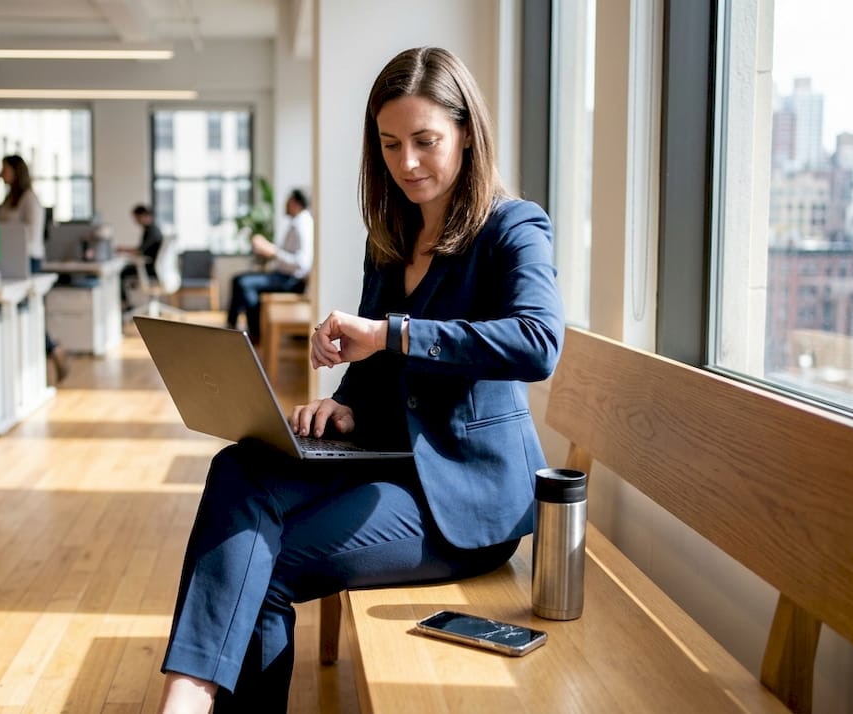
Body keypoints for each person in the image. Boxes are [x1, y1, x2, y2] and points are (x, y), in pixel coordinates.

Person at [156, 47, 564, 712]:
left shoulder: (513, 227)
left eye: (426, 141)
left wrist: (388, 332)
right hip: (387, 457)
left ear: (467, 133)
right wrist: (344, 404)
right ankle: (190, 692)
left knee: (270, 567)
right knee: (239, 466)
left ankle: (193, 697)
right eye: (390, 144)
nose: (406, 163)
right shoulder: (391, 237)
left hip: (468, 498)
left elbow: (538, 342)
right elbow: (378, 377)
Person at [0, 154, 69, 381]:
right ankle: (49, 352)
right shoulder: (9, 199)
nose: (1, 174)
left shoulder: (29, 199)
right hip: (7, 260)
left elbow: (32, 234)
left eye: (5, 169)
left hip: (28, 261)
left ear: (16, 171)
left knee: (30, 312)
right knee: (17, 312)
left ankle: (52, 349)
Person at [225, 189, 314, 343]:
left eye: (288, 201)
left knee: (244, 284)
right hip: (282, 275)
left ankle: (255, 333)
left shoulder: (303, 224)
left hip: (290, 281)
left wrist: (273, 251)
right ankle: (233, 326)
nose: (285, 204)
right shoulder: (297, 222)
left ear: (295, 203)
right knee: (238, 279)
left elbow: (302, 263)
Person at [119, 204, 164, 309]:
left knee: (122, 273)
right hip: (154, 268)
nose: (136, 221)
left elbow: (140, 251)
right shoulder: (153, 229)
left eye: (136, 218)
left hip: (151, 270)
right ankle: (126, 303)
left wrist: (122, 249)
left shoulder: (151, 231)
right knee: (126, 270)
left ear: (143, 215)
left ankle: (125, 304)